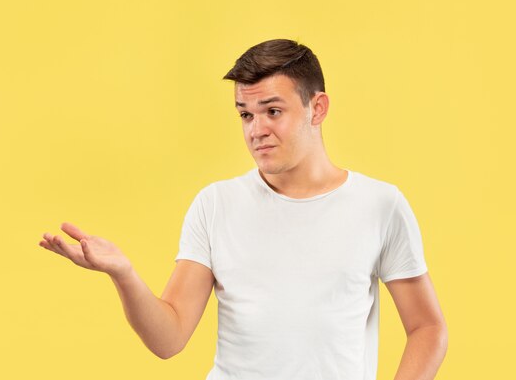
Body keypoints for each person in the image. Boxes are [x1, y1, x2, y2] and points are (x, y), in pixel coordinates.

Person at [38, 38, 448, 380]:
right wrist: (123, 274)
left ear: (317, 108)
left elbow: (427, 327)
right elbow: (169, 338)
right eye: (245, 115)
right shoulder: (215, 205)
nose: (256, 130)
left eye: (273, 111)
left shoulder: (379, 205)